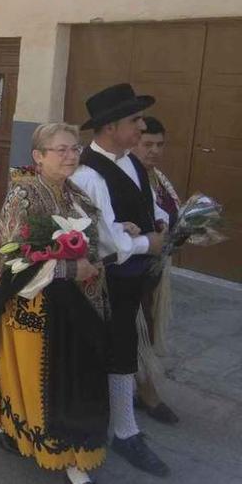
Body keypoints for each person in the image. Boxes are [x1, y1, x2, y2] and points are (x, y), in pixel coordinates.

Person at [0, 123, 110, 484]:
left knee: (65, 373)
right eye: (62, 150)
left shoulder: (77, 195)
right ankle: (31, 434)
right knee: (33, 374)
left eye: (75, 149)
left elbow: (94, 241)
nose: (71, 155)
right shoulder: (23, 195)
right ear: (38, 156)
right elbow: (14, 258)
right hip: (31, 304)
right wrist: (70, 265)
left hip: (73, 304)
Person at [70, 83, 169, 478]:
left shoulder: (128, 160)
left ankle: (124, 426)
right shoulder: (90, 174)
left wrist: (157, 219)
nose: (141, 126)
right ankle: (114, 431)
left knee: (123, 350)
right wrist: (150, 241)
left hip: (131, 279)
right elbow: (108, 239)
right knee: (108, 353)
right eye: (135, 120)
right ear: (110, 127)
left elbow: (143, 202)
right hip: (105, 281)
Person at [130, 116, 180, 425]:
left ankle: (142, 387)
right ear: (131, 142)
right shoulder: (123, 178)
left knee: (146, 328)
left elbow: (173, 213)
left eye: (160, 145)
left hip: (153, 270)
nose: (154, 151)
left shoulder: (158, 179)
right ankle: (146, 392)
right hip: (128, 269)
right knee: (134, 330)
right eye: (147, 144)